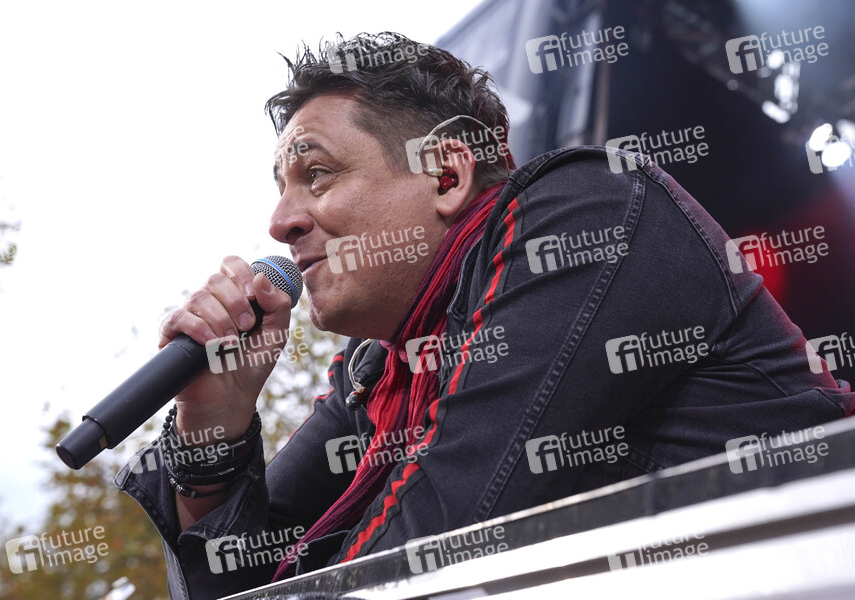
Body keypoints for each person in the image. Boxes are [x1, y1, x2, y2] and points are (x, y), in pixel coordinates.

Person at [115, 32, 854, 599]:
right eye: (280, 188)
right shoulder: (378, 370)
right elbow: (235, 582)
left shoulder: (586, 214)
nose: (281, 222)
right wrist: (214, 429)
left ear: (446, 173)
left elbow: (420, 558)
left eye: (317, 174)